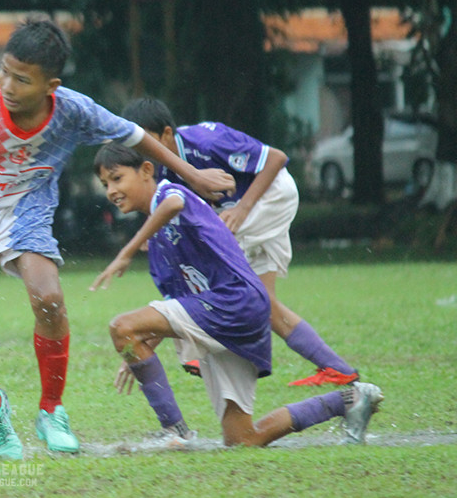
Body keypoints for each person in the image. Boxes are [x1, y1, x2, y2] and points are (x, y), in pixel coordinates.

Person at [0, 17, 236, 459]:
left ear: (51, 86)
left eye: (22, 79)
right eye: (4, 72)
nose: (7, 86)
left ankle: (51, 411)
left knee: (49, 298)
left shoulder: (72, 110)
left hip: (26, 211)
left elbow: (135, 135)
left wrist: (192, 174)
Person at [90, 141, 383, 449]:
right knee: (242, 439)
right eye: (105, 184)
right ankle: (350, 399)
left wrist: (126, 252)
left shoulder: (169, 193)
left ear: (147, 170)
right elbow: (178, 306)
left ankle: (174, 431)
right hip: (233, 315)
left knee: (121, 326)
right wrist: (137, 351)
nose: (111, 190)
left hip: (234, 303)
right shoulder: (159, 246)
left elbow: (174, 203)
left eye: (117, 178)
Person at [121, 97, 358, 387]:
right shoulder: (162, 169)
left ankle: (198, 350)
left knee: (211, 270)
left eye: (145, 143)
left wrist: (242, 209)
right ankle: (337, 368)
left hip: (271, 196)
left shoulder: (207, 142)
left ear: (167, 134)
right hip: (245, 210)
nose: (141, 153)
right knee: (264, 303)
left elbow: (276, 158)